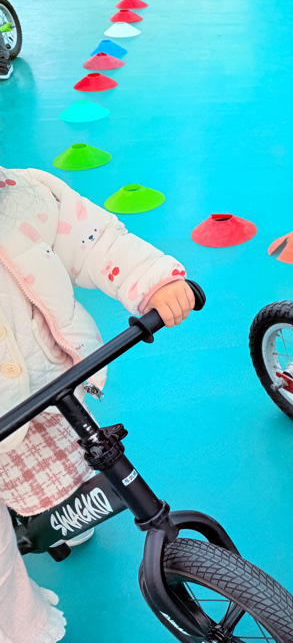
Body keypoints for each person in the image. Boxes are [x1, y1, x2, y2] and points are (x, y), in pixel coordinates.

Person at [0, 167, 194, 642]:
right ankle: (16, 624)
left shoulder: (26, 195)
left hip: (47, 386)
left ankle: (60, 520)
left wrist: (152, 280)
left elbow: (96, 241)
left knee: (75, 466)